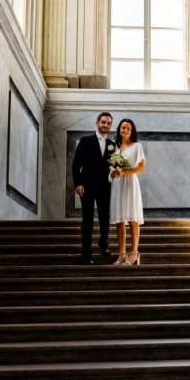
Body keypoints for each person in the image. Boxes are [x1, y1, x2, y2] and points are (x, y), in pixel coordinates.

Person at [72, 112, 115, 265]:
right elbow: (76, 164)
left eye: (108, 123)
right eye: (103, 122)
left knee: (105, 218)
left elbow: (112, 166)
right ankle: (86, 253)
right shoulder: (85, 141)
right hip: (87, 187)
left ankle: (103, 244)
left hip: (104, 187)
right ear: (97, 123)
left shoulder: (112, 144)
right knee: (88, 220)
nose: (105, 125)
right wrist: (78, 183)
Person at [109, 118, 146, 266]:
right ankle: (122, 254)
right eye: (123, 128)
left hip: (131, 182)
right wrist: (113, 173)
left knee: (132, 218)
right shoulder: (116, 148)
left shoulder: (137, 146)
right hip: (118, 185)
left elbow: (142, 168)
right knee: (119, 219)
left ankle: (134, 253)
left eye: (128, 128)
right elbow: (113, 168)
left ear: (132, 131)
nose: (125, 130)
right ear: (119, 129)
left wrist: (124, 171)